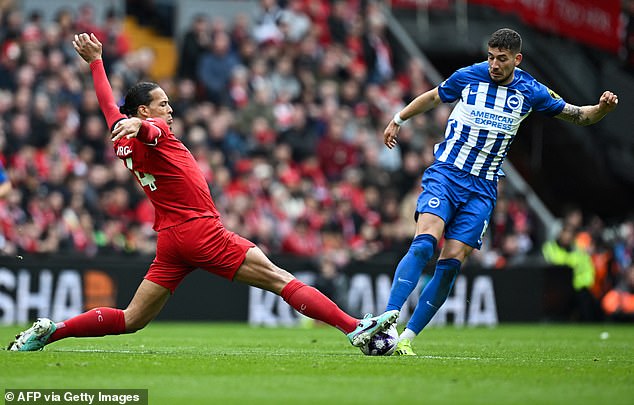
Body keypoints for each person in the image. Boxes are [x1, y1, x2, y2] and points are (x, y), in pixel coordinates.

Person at [8, 33, 397, 352]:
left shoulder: (123, 138)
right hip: (200, 230)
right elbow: (152, 130)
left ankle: (50, 332)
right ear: (145, 112)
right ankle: (354, 328)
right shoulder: (155, 134)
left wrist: (96, 63)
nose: (170, 109)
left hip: (171, 239)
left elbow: (110, 106)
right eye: (162, 104)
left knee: (131, 319)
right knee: (280, 279)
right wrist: (141, 127)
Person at [382, 28, 619, 356]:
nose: (493, 64)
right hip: (447, 173)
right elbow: (435, 96)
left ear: (516, 59)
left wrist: (602, 110)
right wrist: (399, 118)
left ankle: (407, 336)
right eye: (491, 56)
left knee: (451, 262)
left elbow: (578, 115)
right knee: (424, 242)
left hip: (482, 189)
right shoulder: (468, 76)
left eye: (501, 59)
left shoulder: (530, 90)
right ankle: (387, 317)